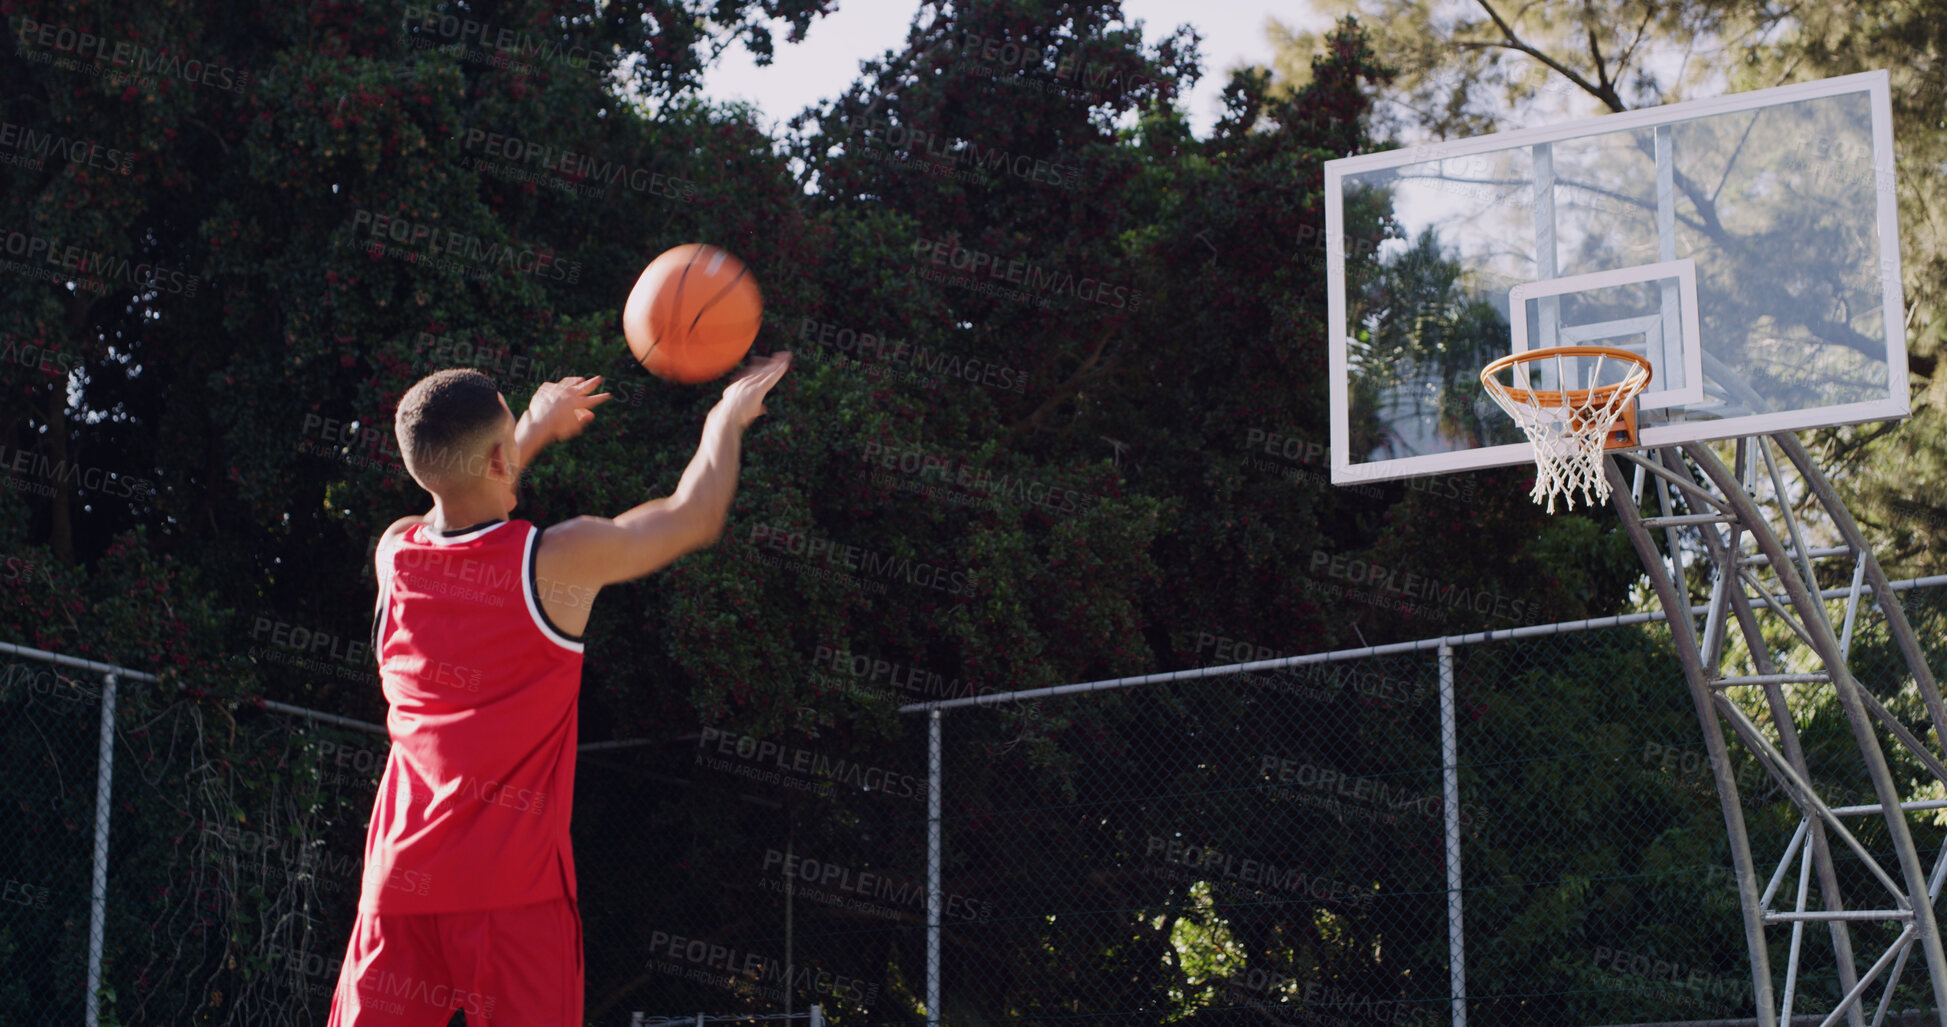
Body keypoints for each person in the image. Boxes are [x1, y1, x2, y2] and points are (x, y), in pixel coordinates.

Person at [328, 353, 792, 1026]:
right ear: (497, 459)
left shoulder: (395, 554)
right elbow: (692, 515)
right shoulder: (554, 562)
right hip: (512, 895)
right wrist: (725, 417)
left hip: (399, 886)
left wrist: (535, 427)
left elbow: (463, 496)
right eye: (510, 434)